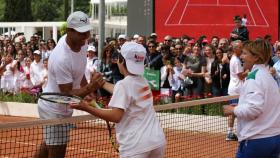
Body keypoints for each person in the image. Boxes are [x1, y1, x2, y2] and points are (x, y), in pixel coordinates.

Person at [70, 42, 166, 158]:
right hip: (156, 141)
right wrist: (102, 83)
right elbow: (124, 91)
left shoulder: (124, 85)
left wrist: (86, 107)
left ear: (121, 61)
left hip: (135, 146)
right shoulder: (142, 80)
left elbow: (116, 116)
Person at [35, 11, 105, 158]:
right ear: (69, 31)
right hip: (53, 109)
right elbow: (66, 93)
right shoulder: (61, 58)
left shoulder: (83, 42)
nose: (86, 36)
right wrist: (90, 87)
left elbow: (78, 72)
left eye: (87, 31)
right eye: (81, 33)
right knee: (58, 151)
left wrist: (88, 89)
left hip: (62, 107)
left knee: (49, 145)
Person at [223, 39, 280, 158]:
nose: (241, 56)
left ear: (256, 57)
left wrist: (232, 110)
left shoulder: (253, 77)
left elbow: (254, 110)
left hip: (256, 140)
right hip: (274, 137)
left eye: (245, 53)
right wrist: (239, 107)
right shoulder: (269, 77)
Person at [226, 40, 248, 141]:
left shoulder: (236, 59)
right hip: (236, 90)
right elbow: (240, 77)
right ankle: (232, 133)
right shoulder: (236, 61)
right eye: (241, 47)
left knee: (234, 112)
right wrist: (250, 72)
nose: (242, 49)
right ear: (235, 49)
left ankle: (230, 132)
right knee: (235, 112)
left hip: (235, 89)